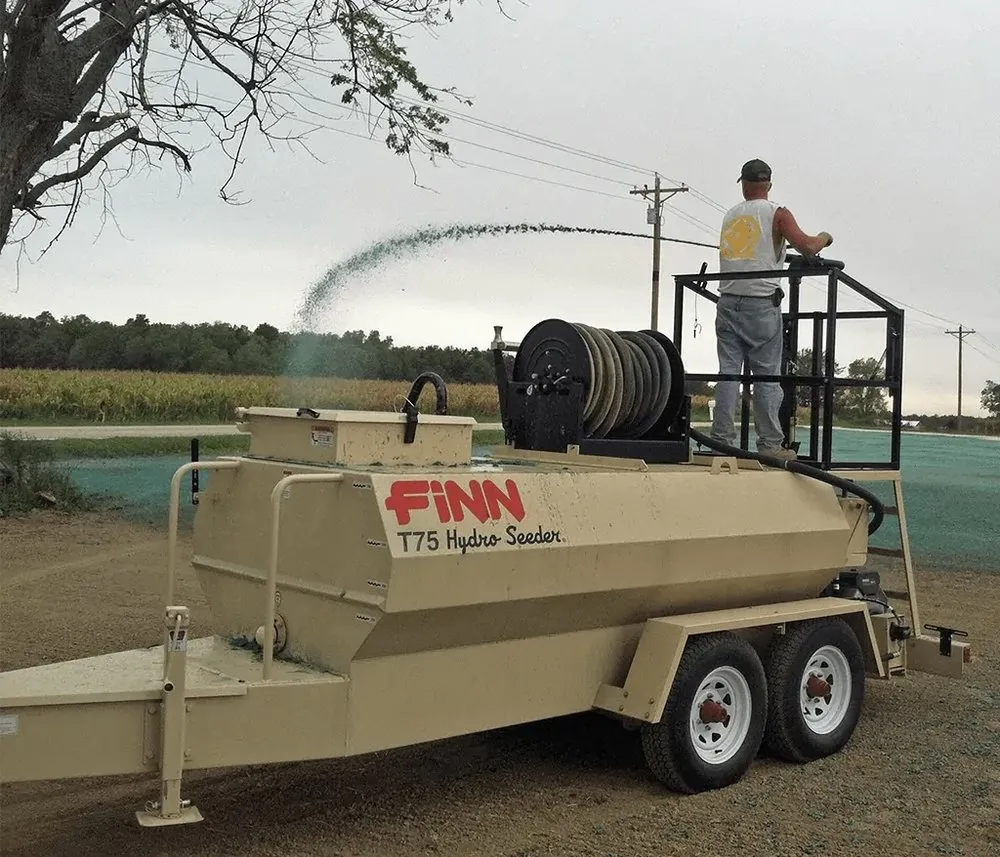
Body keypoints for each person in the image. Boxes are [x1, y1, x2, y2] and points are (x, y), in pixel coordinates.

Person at [711, 158, 833, 458]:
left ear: (743, 185)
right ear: (769, 185)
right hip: (761, 304)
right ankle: (769, 445)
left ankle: (721, 442)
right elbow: (806, 245)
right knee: (766, 375)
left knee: (728, 374)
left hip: (726, 302)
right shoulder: (777, 212)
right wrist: (825, 238)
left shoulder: (730, 215)